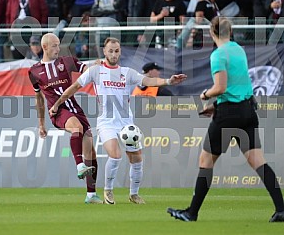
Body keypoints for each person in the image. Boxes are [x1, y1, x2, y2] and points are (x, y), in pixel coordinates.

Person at [167, 17, 284, 222]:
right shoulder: (238, 49)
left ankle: (192, 213)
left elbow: (220, 88)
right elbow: (238, 86)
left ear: (212, 33)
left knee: (205, 160)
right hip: (247, 110)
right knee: (258, 161)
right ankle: (281, 209)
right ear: (230, 32)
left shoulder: (218, 55)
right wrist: (218, 105)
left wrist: (204, 96)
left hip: (229, 114)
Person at [49, 37, 187, 204]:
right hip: (107, 122)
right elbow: (75, 87)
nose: (114, 54)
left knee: (136, 158)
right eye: (110, 51)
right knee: (115, 155)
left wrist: (168, 81)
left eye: (116, 51)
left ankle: (134, 194)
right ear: (105, 52)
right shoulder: (95, 71)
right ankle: (108, 191)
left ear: (120, 52)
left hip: (126, 123)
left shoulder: (127, 73)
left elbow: (148, 81)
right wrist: (57, 103)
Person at [28, 33, 103, 204]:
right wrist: (41, 123)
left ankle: (91, 195)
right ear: (45, 47)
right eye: (54, 45)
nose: (57, 48)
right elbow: (38, 98)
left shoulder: (67, 61)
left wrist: (96, 66)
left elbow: (85, 69)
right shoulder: (34, 71)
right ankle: (79, 165)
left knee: (91, 153)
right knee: (76, 128)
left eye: (58, 44)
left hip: (75, 108)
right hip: (58, 111)